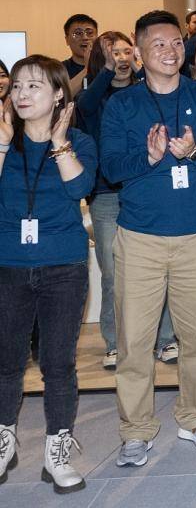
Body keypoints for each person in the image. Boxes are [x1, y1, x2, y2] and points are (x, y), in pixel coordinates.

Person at [101, 10, 196, 467]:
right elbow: (111, 168)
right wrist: (150, 157)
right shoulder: (122, 105)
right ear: (138, 52)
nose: (170, 51)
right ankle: (136, 429)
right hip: (140, 241)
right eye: (158, 44)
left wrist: (195, 152)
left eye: (176, 42)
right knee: (135, 343)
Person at [0, 57, 96, 493]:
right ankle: (4, 440)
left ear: (59, 94)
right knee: (7, 361)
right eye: (17, 86)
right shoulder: (4, 139)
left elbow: (80, 188)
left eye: (34, 86)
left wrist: (58, 144)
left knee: (58, 364)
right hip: (8, 265)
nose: (21, 94)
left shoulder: (79, 140)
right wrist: (3, 146)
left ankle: (57, 451)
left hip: (63, 267)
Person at [78, 33, 177, 369]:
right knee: (112, 273)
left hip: (145, 189)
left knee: (160, 269)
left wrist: (139, 66)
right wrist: (107, 69)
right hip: (106, 195)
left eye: (125, 51)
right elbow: (84, 106)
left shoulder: (145, 93)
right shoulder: (95, 97)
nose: (120, 58)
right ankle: (115, 342)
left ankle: (165, 339)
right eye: (113, 53)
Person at [62, 14, 98, 97]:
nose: (85, 37)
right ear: (67, 40)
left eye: (90, 33)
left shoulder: (108, 66)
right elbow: (61, 97)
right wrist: (87, 69)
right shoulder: (59, 69)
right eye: (78, 33)